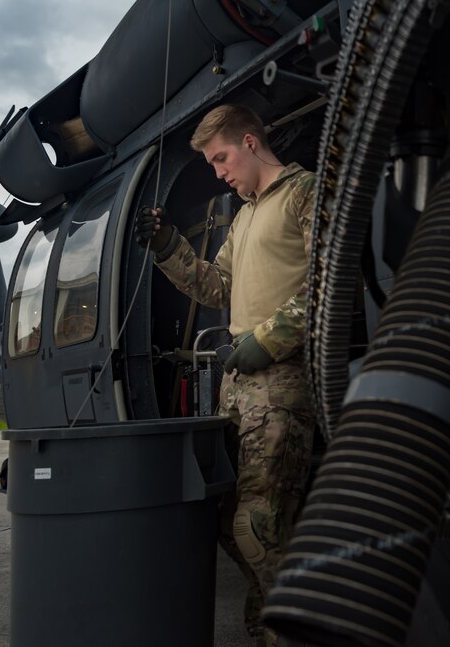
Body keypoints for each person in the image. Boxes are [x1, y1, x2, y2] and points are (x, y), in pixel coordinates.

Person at [135, 103, 316, 646]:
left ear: (251, 142)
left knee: (255, 528)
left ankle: (309, 628)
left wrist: (270, 338)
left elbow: (333, 279)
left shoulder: (306, 193)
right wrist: (168, 247)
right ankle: (269, 629)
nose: (218, 172)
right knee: (228, 524)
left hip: (283, 377)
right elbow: (216, 287)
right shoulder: (244, 214)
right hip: (239, 384)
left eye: (221, 158)